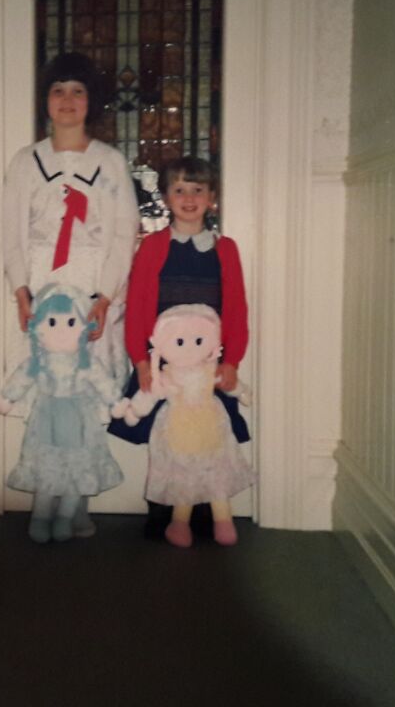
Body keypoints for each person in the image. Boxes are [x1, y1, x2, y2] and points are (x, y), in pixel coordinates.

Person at [1, 51, 139, 535]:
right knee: (48, 391)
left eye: (78, 91)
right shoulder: (26, 162)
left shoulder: (109, 163)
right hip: (42, 287)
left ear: (91, 102)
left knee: (88, 390)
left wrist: (105, 295)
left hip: (93, 285)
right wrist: (21, 288)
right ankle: (51, 497)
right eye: (58, 90)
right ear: (45, 100)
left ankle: (75, 501)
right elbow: (11, 231)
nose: (67, 100)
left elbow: (124, 233)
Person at [108, 155, 250, 538]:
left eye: (198, 190)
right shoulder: (153, 246)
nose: (189, 198)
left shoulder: (227, 249)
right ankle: (164, 510)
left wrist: (232, 360)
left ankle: (205, 510)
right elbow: (137, 306)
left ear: (212, 198)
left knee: (209, 435)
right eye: (180, 190)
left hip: (207, 364)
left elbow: (236, 308)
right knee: (164, 437)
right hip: (162, 363)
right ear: (168, 197)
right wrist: (140, 360)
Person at [0, 285, 123, 543]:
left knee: (77, 473)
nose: (63, 329)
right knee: (46, 472)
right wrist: (7, 397)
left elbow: (102, 383)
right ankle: (40, 518)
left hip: (81, 423)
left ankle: (65, 518)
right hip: (46, 421)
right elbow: (22, 378)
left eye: (71, 322)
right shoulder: (38, 361)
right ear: (38, 327)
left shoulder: (87, 363)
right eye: (52, 322)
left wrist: (116, 402)